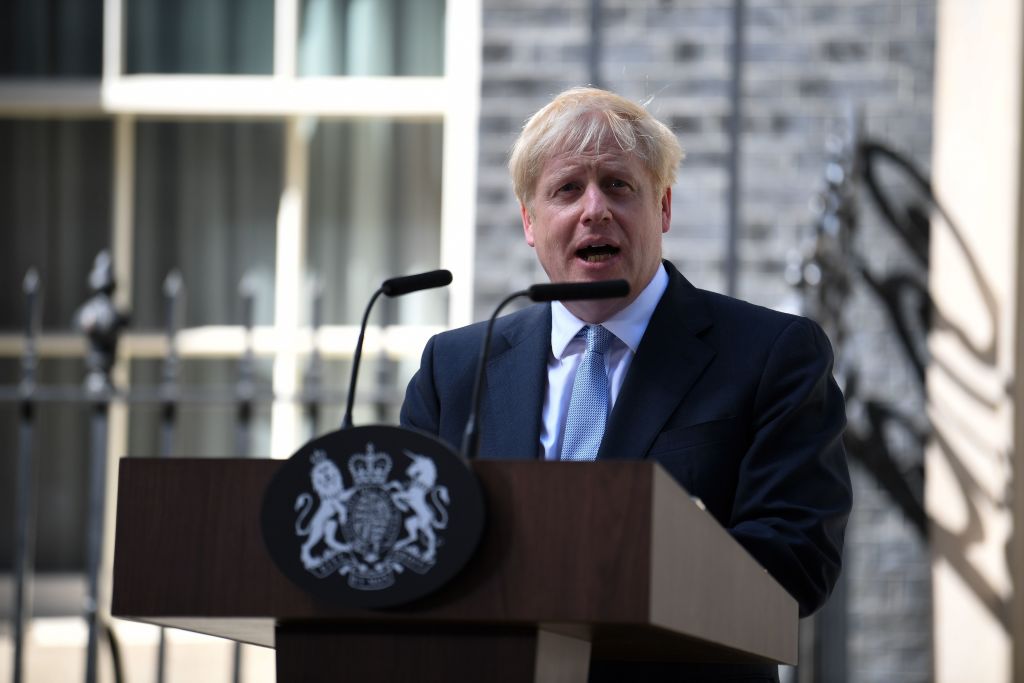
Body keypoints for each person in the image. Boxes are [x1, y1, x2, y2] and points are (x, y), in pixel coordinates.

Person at [400, 86, 852, 682]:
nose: (595, 210)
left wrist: (621, 562)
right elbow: (410, 548)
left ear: (662, 208)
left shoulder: (771, 355)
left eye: (618, 185)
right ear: (530, 223)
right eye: (567, 189)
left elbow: (797, 557)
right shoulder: (454, 368)